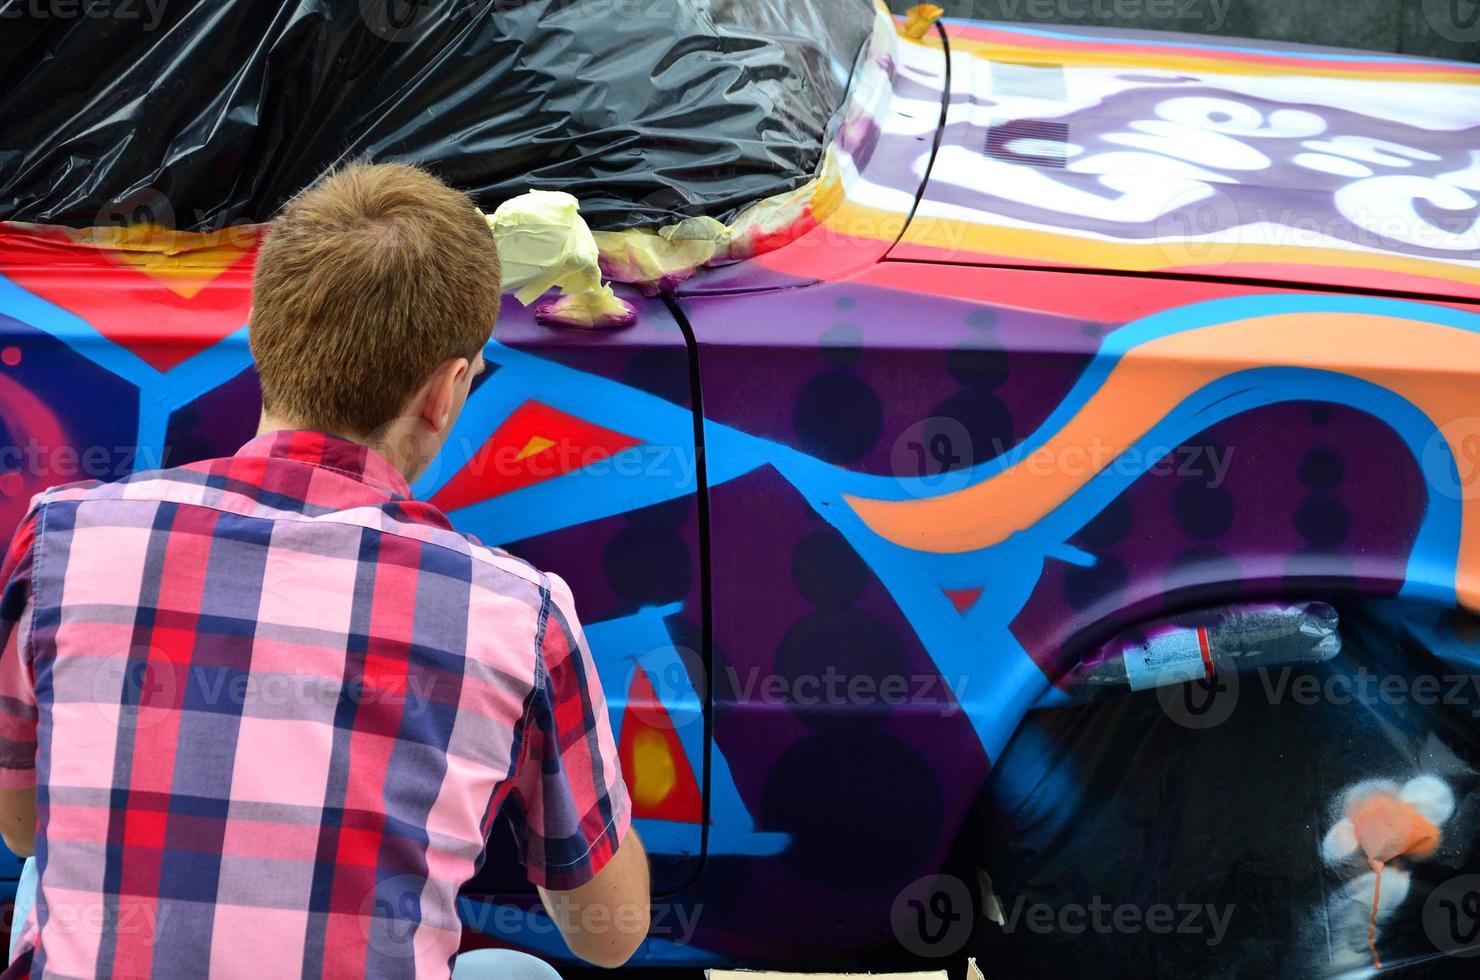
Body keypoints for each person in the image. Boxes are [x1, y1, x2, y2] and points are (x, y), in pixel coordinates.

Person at [0, 162, 648, 978]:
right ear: (445, 392)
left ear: (265, 338)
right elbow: (609, 932)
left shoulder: (63, 537)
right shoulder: (519, 614)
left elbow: (23, 824)